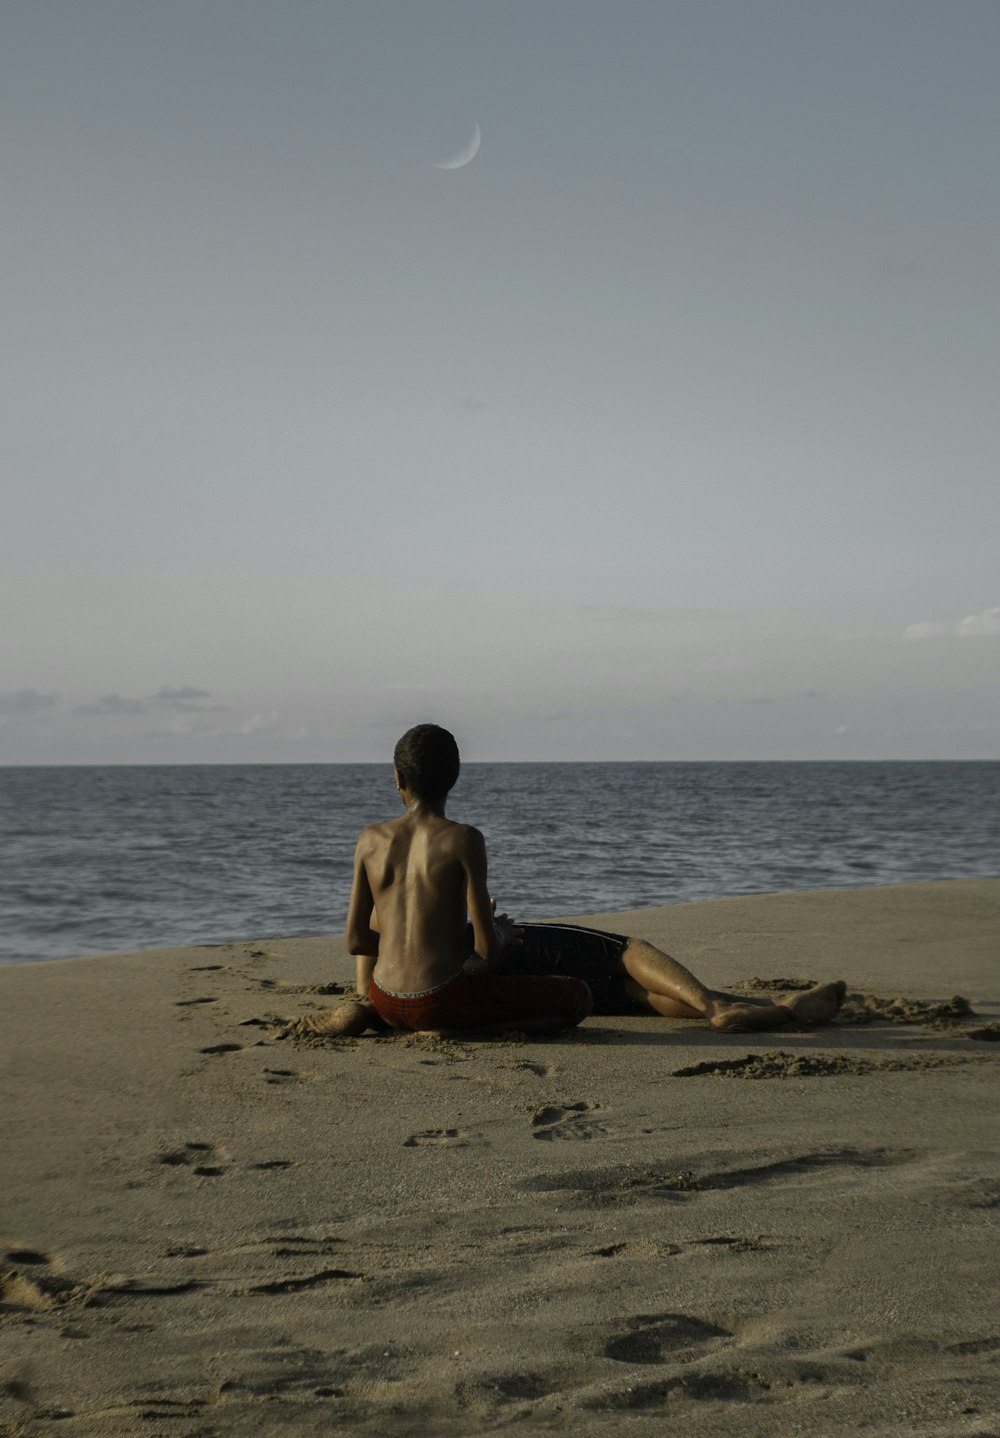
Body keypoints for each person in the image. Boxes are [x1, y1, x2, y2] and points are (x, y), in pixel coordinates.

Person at [293, 724, 844, 1038]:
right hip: (445, 998)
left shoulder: (369, 839)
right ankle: (725, 1006)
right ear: (455, 779)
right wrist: (493, 935)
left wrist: (414, 950)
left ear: (397, 780)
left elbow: (355, 941)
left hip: (387, 999)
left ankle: (774, 1006)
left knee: (624, 994)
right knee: (589, 982)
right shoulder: (464, 839)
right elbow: (485, 947)